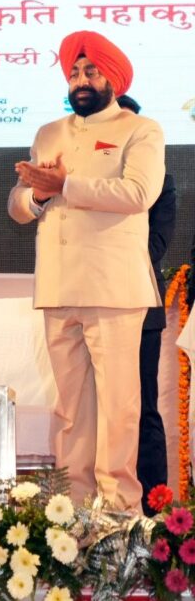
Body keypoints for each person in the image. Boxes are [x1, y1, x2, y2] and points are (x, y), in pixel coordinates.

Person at [8, 31, 165, 512]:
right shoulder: (49, 133)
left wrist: (66, 184)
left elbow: (139, 194)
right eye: (74, 72)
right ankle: (74, 512)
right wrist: (36, 195)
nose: (80, 80)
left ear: (111, 78)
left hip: (113, 289)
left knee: (118, 409)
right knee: (71, 411)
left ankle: (119, 513)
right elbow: (17, 206)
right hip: (59, 288)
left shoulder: (141, 130)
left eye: (90, 71)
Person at [116, 93, 175, 515]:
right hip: (87, 306)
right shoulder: (78, 178)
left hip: (139, 306)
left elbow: (155, 246)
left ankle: (156, 514)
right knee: (94, 413)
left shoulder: (160, 181)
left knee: (143, 409)